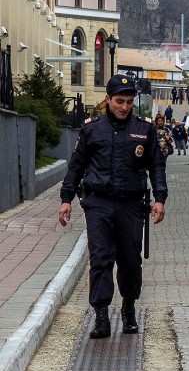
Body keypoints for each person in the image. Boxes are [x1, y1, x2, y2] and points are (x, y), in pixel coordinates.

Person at [58, 74, 168, 339]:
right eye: (119, 101)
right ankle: (102, 315)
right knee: (101, 259)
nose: (124, 107)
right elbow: (76, 166)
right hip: (99, 203)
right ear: (107, 100)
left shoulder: (144, 129)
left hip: (131, 204)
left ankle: (129, 308)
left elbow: (156, 165)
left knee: (130, 260)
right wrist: (66, 199)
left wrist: (160, 199)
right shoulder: (91, 129)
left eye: (129, 102)